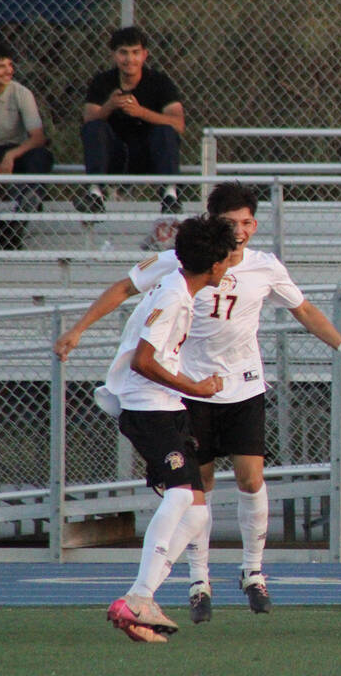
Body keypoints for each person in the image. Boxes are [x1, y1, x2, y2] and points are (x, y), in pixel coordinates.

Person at [54, 181, 341, 622]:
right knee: (192, 492)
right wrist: (79, 327)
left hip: (238, 385)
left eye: (244, 223)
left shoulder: (262, 268)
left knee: (244, 480)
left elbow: (305, 310)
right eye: (228, 225)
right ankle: (194, 581)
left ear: (254, 225)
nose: (238, 233)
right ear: (211, 229)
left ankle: (248, 572)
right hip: (181, 390)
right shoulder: (178, 270)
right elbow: (125, 297)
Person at [99, 214, 236, 643]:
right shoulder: (176, 296)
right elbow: (144, 360)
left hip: (166, 407)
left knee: (196, 511)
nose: (230, 266)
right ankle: (139, 598)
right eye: (227, 260)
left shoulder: (178, 287)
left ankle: (141, 599)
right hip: (148, 408)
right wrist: (195, 386)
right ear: (214, 266)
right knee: (180, 494)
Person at [78, 26, 184, 215]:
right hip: (114, 156)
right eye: (123, 53)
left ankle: (170, 195)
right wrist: (109, 106)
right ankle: (95, 193)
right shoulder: (102, 82)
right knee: (95, 128)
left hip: (148, 155)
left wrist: (140, 112)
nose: (129, 59)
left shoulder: (159, 81)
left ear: (145, 55)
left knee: (166, 130)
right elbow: (88, 120)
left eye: (135, 53)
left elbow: (178, 124)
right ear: (114, 55)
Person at [0, 40, 53, 211]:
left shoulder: (21, 93)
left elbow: (38, 137)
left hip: (14, 150)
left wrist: (12, 155)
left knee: (41, 155)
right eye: (1, 66)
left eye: (10, 65)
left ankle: (29, 199)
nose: (9, 70)